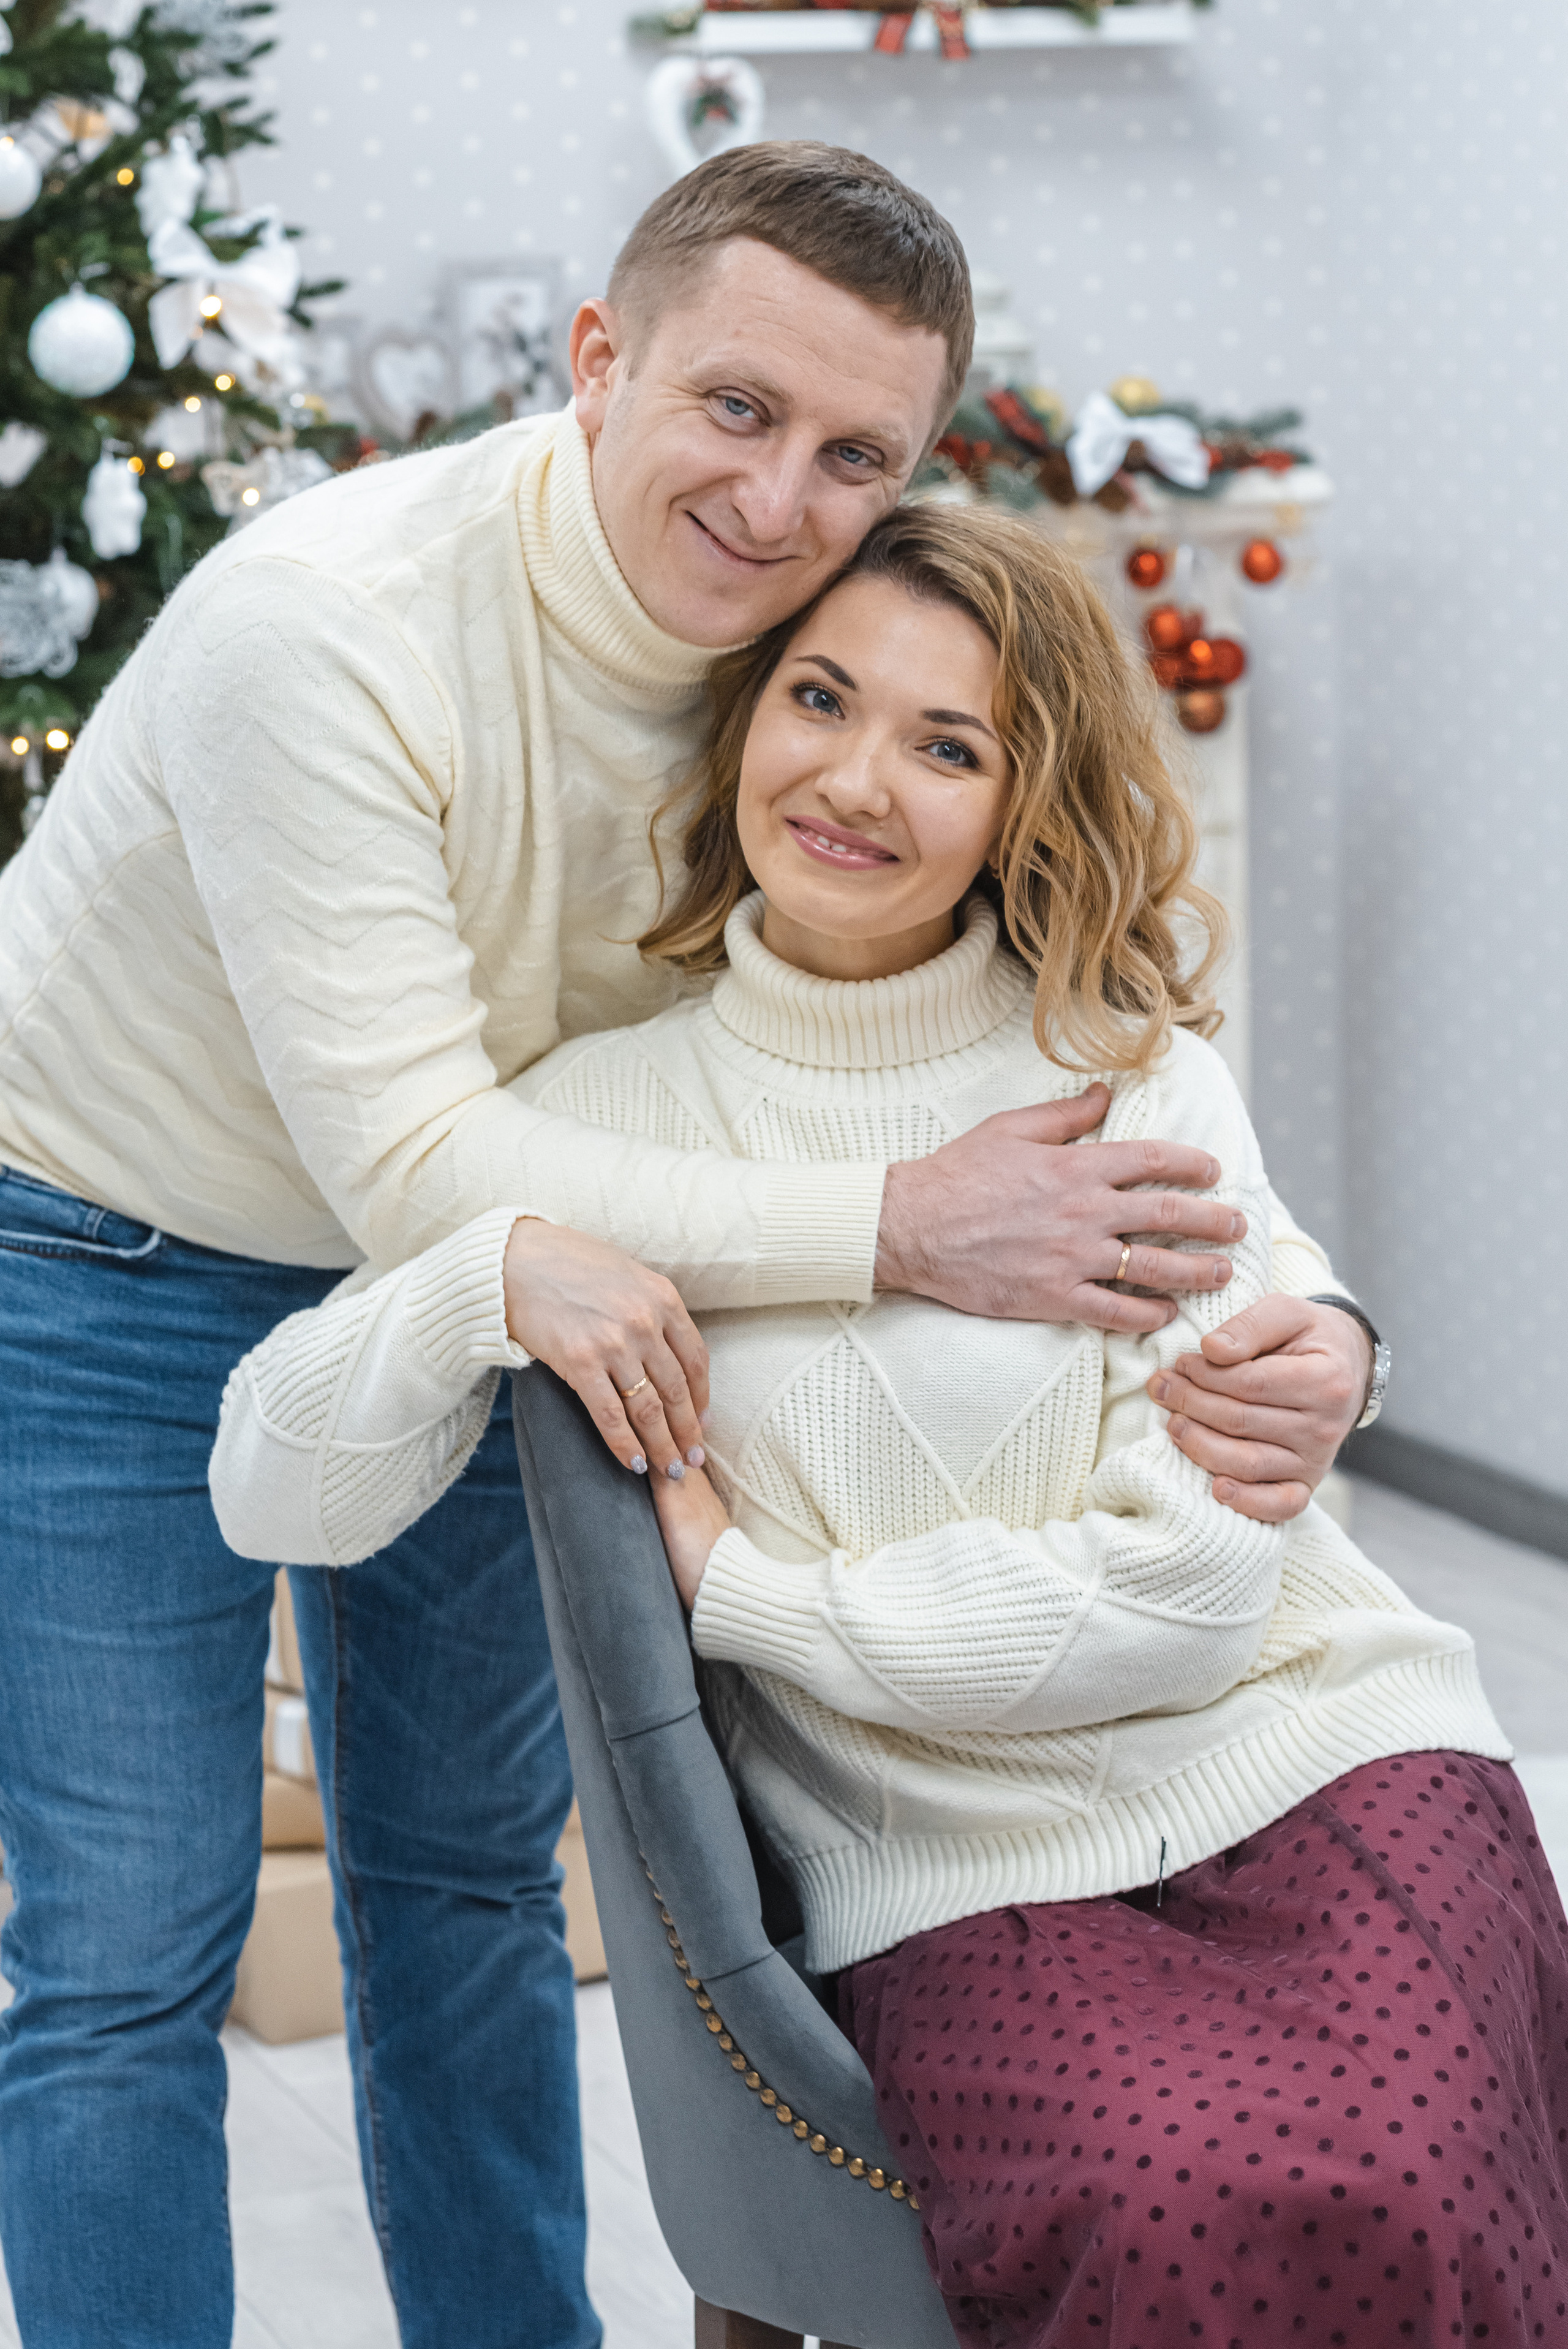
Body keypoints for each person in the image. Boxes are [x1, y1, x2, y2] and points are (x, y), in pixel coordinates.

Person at [0, 145, 1371, 2346]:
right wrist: (909, 1227)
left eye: (858, 454)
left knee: (464, 1886)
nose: (777, 498)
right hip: (112, 1250)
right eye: (735, 408)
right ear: (599, 360)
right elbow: (419, 1163)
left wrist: (1318, 1321)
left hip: (528, 1247)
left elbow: (1028, 1041)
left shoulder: (804, 667)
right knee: (123, 1946)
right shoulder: (325, 627)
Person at [210, 501, 1557, 2349]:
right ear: (746, 715)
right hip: (950, 1864)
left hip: (1324, 1758)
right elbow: (267, 1477)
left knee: (1412, 2179)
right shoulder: (613, 1116)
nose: (855, 778)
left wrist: (756, 1596)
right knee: (1177, 2197)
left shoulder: (1122, 1070)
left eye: (948, 744)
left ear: (1027, 799)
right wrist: (485, 1276)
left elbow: (1189, 1600)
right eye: (820, 698)